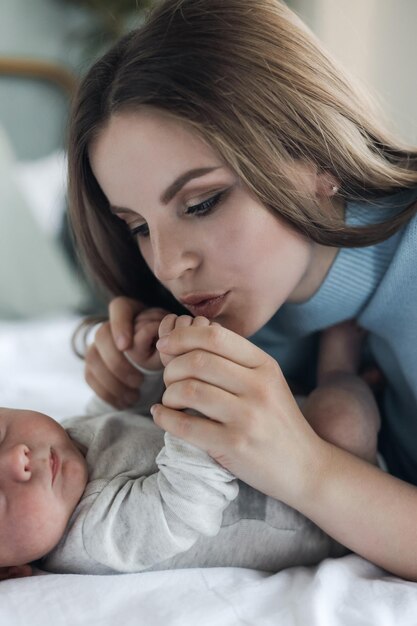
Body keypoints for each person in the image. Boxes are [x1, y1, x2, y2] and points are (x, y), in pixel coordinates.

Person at [67, 0, 417, 580]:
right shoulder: (247, 300)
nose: (169, 264)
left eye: (202, 202)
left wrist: (306, 468)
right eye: (138, 227)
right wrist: (142, 360)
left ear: (317, 155)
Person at [0, 314, 380, 579]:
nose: (17, 457)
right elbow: (185, 504)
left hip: (272, 442)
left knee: (292, 399)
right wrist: (193, 396)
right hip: (324, 515)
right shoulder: (92, 537)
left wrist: (147, 370)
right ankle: (339, 370)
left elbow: (127, 418)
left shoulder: (61, 449)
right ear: (9, 571)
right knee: (340, 421)